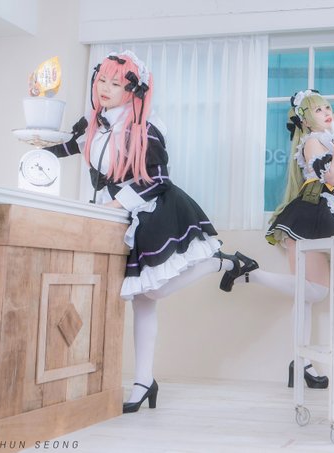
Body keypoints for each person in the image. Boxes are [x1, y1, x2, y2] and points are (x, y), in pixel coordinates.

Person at [46, 50, 256, 413]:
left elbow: (159, 179)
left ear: (133, 90)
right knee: (141, 300)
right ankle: (144, 381)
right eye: (101, 80)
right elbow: (65, 147)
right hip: (120, 215)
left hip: (153, 211)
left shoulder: (144, 128)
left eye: (115, 83)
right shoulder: (93, 123)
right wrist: (36, 142)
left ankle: (220, 263)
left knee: (152, 292)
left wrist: (118, 204)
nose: (105, 88)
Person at [220, 89, 334, 389]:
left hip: (319, 212)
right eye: (318, 110)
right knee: (315, 292)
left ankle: (300, 363)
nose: (327, 113)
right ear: (306, 121)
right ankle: (252, 274)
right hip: (311, 214)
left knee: (306, 297)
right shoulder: (313, 141)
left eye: (328, 107)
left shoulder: (322, 141)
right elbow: (332, 179)